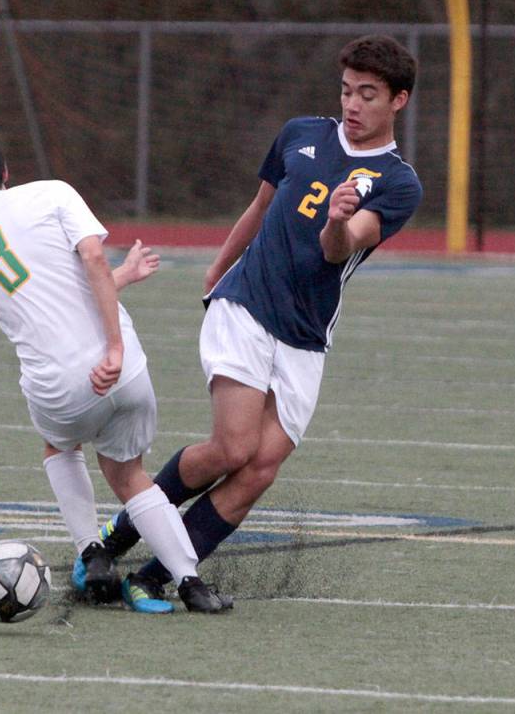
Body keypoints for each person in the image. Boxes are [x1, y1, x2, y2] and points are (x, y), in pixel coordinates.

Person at [98, 35, 423, 606]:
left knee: (260, 467)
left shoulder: (399, 183)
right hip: (246, 302)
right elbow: (261, 205)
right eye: (347, 90)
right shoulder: (301, 133)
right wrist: (219, 267)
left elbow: (336, 251)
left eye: (368, 95)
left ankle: (154, 576)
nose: (352, 104)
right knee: (231, 447)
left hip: (306, 333)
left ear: (398, 101)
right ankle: (111, 542)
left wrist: (337, 220)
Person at [0, 124, 232, 614]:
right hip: (126, 370)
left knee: (59, 445)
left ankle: (91, 550)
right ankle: (193, 584)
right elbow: (89, 261)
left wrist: (116, 285)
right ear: (3, 169)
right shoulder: (52, 192)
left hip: (58, 388)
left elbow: (45, 302)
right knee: (130, 475)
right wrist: (113, 343)